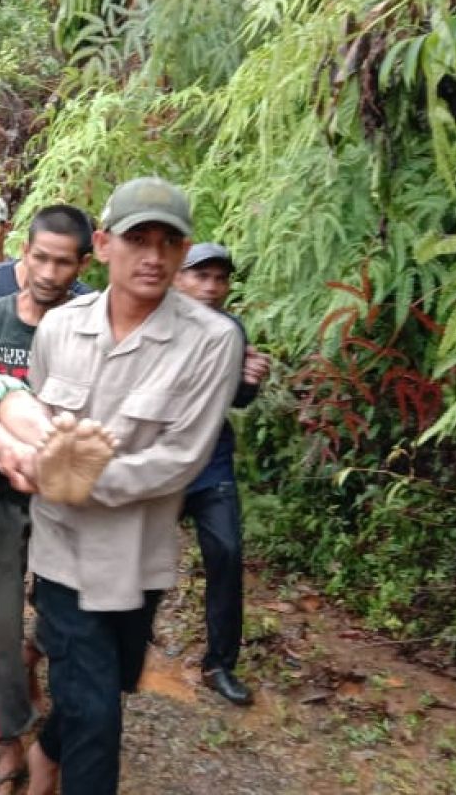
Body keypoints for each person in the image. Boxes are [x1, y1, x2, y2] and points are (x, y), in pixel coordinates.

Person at [21, 178, 243, 795]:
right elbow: (37, 420)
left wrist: (76, 476)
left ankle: (46, 749)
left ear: (184, 249)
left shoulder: (211, 341)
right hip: (63, 546)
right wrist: (50, 470)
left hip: (138, 553)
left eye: (168, 242)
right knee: (97, 711)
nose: (152, 256)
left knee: (110, 682)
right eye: (137, 239)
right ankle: (59, 764)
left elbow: (182, 456)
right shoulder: (60, 329)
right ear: (104, 243)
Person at [0, 205, 92, 795]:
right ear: (22, 251)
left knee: (68, 618)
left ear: (83, 266)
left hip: (68, 501)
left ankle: (37, 671)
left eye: (62, 262)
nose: (47, 272)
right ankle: (11, 745)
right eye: (38, 257)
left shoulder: (94, 327)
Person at [173, 242, 271, 706]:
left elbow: (237, 401)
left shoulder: (231, 329)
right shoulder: (153, 322)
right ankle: (117, 641)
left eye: (219, 279)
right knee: (131, 554)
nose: (211, 287)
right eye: (200, 276)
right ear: (178, 277)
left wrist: (250, 381)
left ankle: (219, 664)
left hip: (212, 464)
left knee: (227, 554)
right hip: (161, 465)